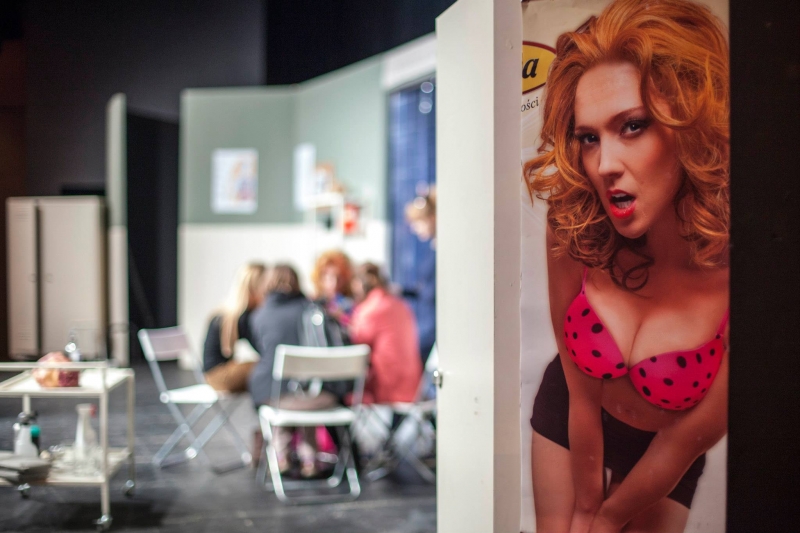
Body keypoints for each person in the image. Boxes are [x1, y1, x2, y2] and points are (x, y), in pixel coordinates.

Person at [524, 1, 730, 532]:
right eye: (589, 137)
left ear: (692, 124)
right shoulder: (574, 227)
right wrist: (586, 509)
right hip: (572, 417)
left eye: (633, 126)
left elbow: (689, 437)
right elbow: (579, 390)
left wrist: (609, 518)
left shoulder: (745, 268)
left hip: (670, 450)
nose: (605, 164)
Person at [248, 264, 335, 477]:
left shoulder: (259, 315)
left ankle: (281, 456)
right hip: (310, 394)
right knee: (306, 400)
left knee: (284, 403)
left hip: (269, 393)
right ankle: (309, 459)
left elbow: (260, 349)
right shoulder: (311, 311)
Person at [350, 263, 421, 404]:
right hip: (414, 389)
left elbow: (356, 343)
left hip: (387, 390)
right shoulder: (401, 304)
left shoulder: (371, 309)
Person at [202, 262, 267, 393]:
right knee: (266, 365)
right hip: (218, 377)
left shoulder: (228, 313)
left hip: (211, 375)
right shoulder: (242, 317)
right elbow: (261, 349)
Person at [403, 187, 437, 365]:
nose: (415, 229)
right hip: (428, 324)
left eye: (418, 222)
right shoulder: (433, 249)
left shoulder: (441, 251)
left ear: (432, 218)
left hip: (433, 327)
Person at [310, 250, 355, 328]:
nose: (335, 283)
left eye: (339, 278)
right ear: (320, 279)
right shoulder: (313, 303)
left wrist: (342, 317)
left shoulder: (351, 304)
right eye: (330, 278)